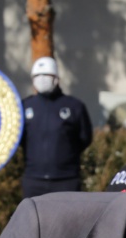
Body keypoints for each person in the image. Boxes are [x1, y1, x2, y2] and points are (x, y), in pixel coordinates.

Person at [20, 56, 94, 199]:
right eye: (37, 76)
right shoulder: (25, 106)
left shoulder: (74, 106)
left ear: (56, 77)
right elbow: (20, 139)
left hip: (66, 180)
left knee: (68, 221)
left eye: (46, 75)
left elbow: (85, 138)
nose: (41, 79)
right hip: (33, 179)